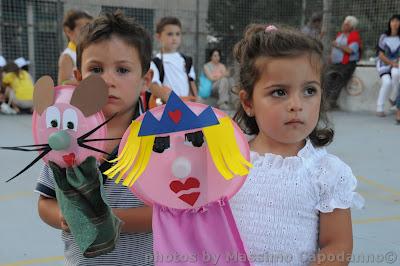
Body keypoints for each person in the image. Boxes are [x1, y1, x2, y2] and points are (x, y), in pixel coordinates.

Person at [230, 24, 364, 266]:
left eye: (309, 90)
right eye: (279, 92)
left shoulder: (328, 172)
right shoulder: (228, 159)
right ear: (248, 102)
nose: (296, 104)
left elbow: (338, 246)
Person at [35, 11, 154, 265]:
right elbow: (45, 202)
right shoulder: (64, 135)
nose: (108, 80)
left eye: (122, 70)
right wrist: (63, 217)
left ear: (145, 80)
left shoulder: (160, 139)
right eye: (96, 69)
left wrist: (106, 220)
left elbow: (169, 213)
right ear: (78, 78)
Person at [149, 16, 197, 103]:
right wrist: (172, 101)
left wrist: (196, 102)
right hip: (166, 106)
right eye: (170, 34)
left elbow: (191, 83)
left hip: (186, 104)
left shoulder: (187, 60)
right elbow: (153, 85)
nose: (174, 38)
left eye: (177, 34)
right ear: (158, 36)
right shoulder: (155, 62)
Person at [325, 16, 362, 109]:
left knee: (338, 81)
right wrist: (330, 57)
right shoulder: (340, 35)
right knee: (328, 80)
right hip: (335, 63)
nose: (343, 25)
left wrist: (337, 45)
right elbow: (334, 48)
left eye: (346, 24)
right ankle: (325, 101)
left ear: (351, 26)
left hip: (347, 64)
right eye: (344, 23)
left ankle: (331, 102)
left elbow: (350, 50)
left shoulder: (354, 36)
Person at [58, 9, 92, 86]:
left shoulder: (89, 52)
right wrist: (85, 82)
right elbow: (62, 84)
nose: (88, 33)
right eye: (83, 29)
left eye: (90, 29)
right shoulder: (67, 56)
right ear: (68, 31)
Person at [375, 14, 400, 117]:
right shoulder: (383, 37)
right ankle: (379, 108)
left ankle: (393, 98)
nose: (395, 23)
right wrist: (391, 63)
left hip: (396, 64)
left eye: (397, 21)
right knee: (387, 82)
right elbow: (380, 55)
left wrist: (396, 63)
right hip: (383, 64)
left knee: (396, 75)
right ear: (389, 23)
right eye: (392, 21)